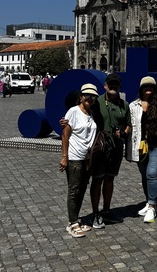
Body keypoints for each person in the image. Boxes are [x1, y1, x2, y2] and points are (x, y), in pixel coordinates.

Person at [90, 73, 132, 228]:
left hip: (115, 148)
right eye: (110, 84)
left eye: (116, 85)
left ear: (119, 87)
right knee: (97, 180)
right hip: (100, 147)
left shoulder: (124, 105)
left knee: (109, 180)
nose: (113, 87)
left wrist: (124, 132)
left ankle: (106, 212)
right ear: (105, 86)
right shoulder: (97, 101)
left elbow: (128, 124)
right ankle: (95, 213)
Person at [59, 83, 99, 238]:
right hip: (75, 157)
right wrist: (64, 157)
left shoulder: (91, 113)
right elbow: (65, 135)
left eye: (93, 96)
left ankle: (76, 219)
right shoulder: (73, 112)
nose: (90, 98)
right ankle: (72, 223)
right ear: (81, 97)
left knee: (82, 187)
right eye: (87, 95)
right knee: (74, 189)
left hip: (87, 158)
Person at [126, 76, 157, 224]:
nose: (148, 89)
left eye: (151, 87)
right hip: (139, 146)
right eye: (145, 86)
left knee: (152, 173)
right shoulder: (133, 105)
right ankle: (149, 202)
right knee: (144, 175)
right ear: (141, 89)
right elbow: (129, 125)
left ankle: (152, 206)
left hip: (155, 145)